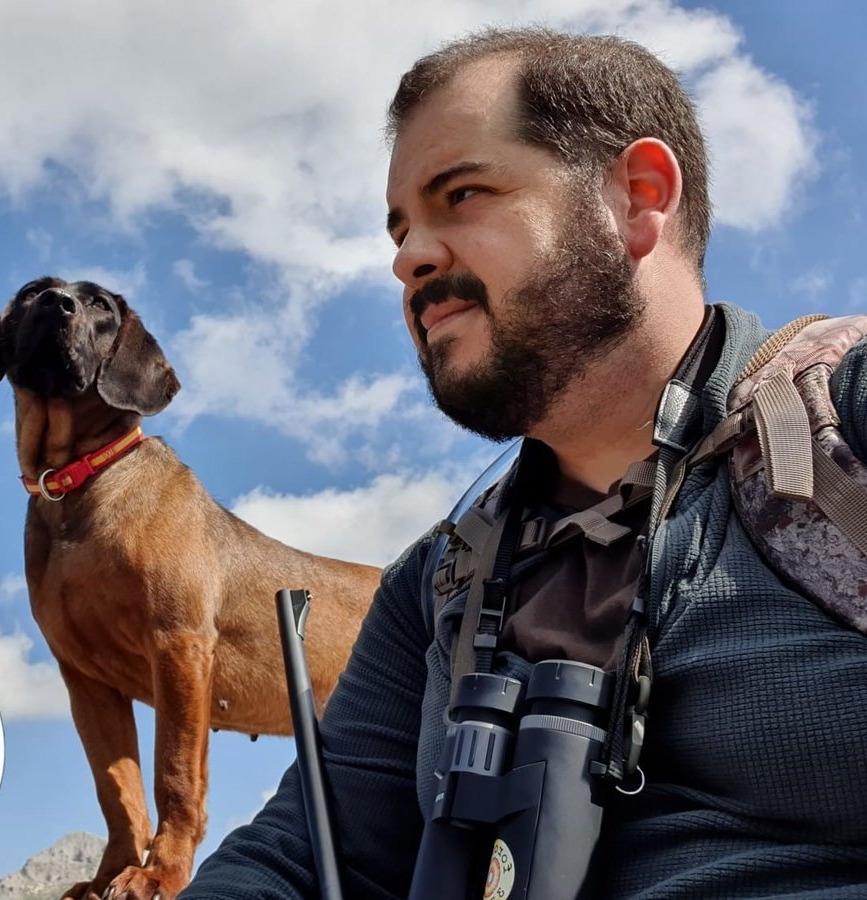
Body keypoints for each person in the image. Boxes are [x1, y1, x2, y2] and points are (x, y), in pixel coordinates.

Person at [181, 27, 867, 899]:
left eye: (462, 194)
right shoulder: (433, 587)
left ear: (638, 197)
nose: (408, 258)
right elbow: (305, 860)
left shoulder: (846, 421)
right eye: (399, 231)